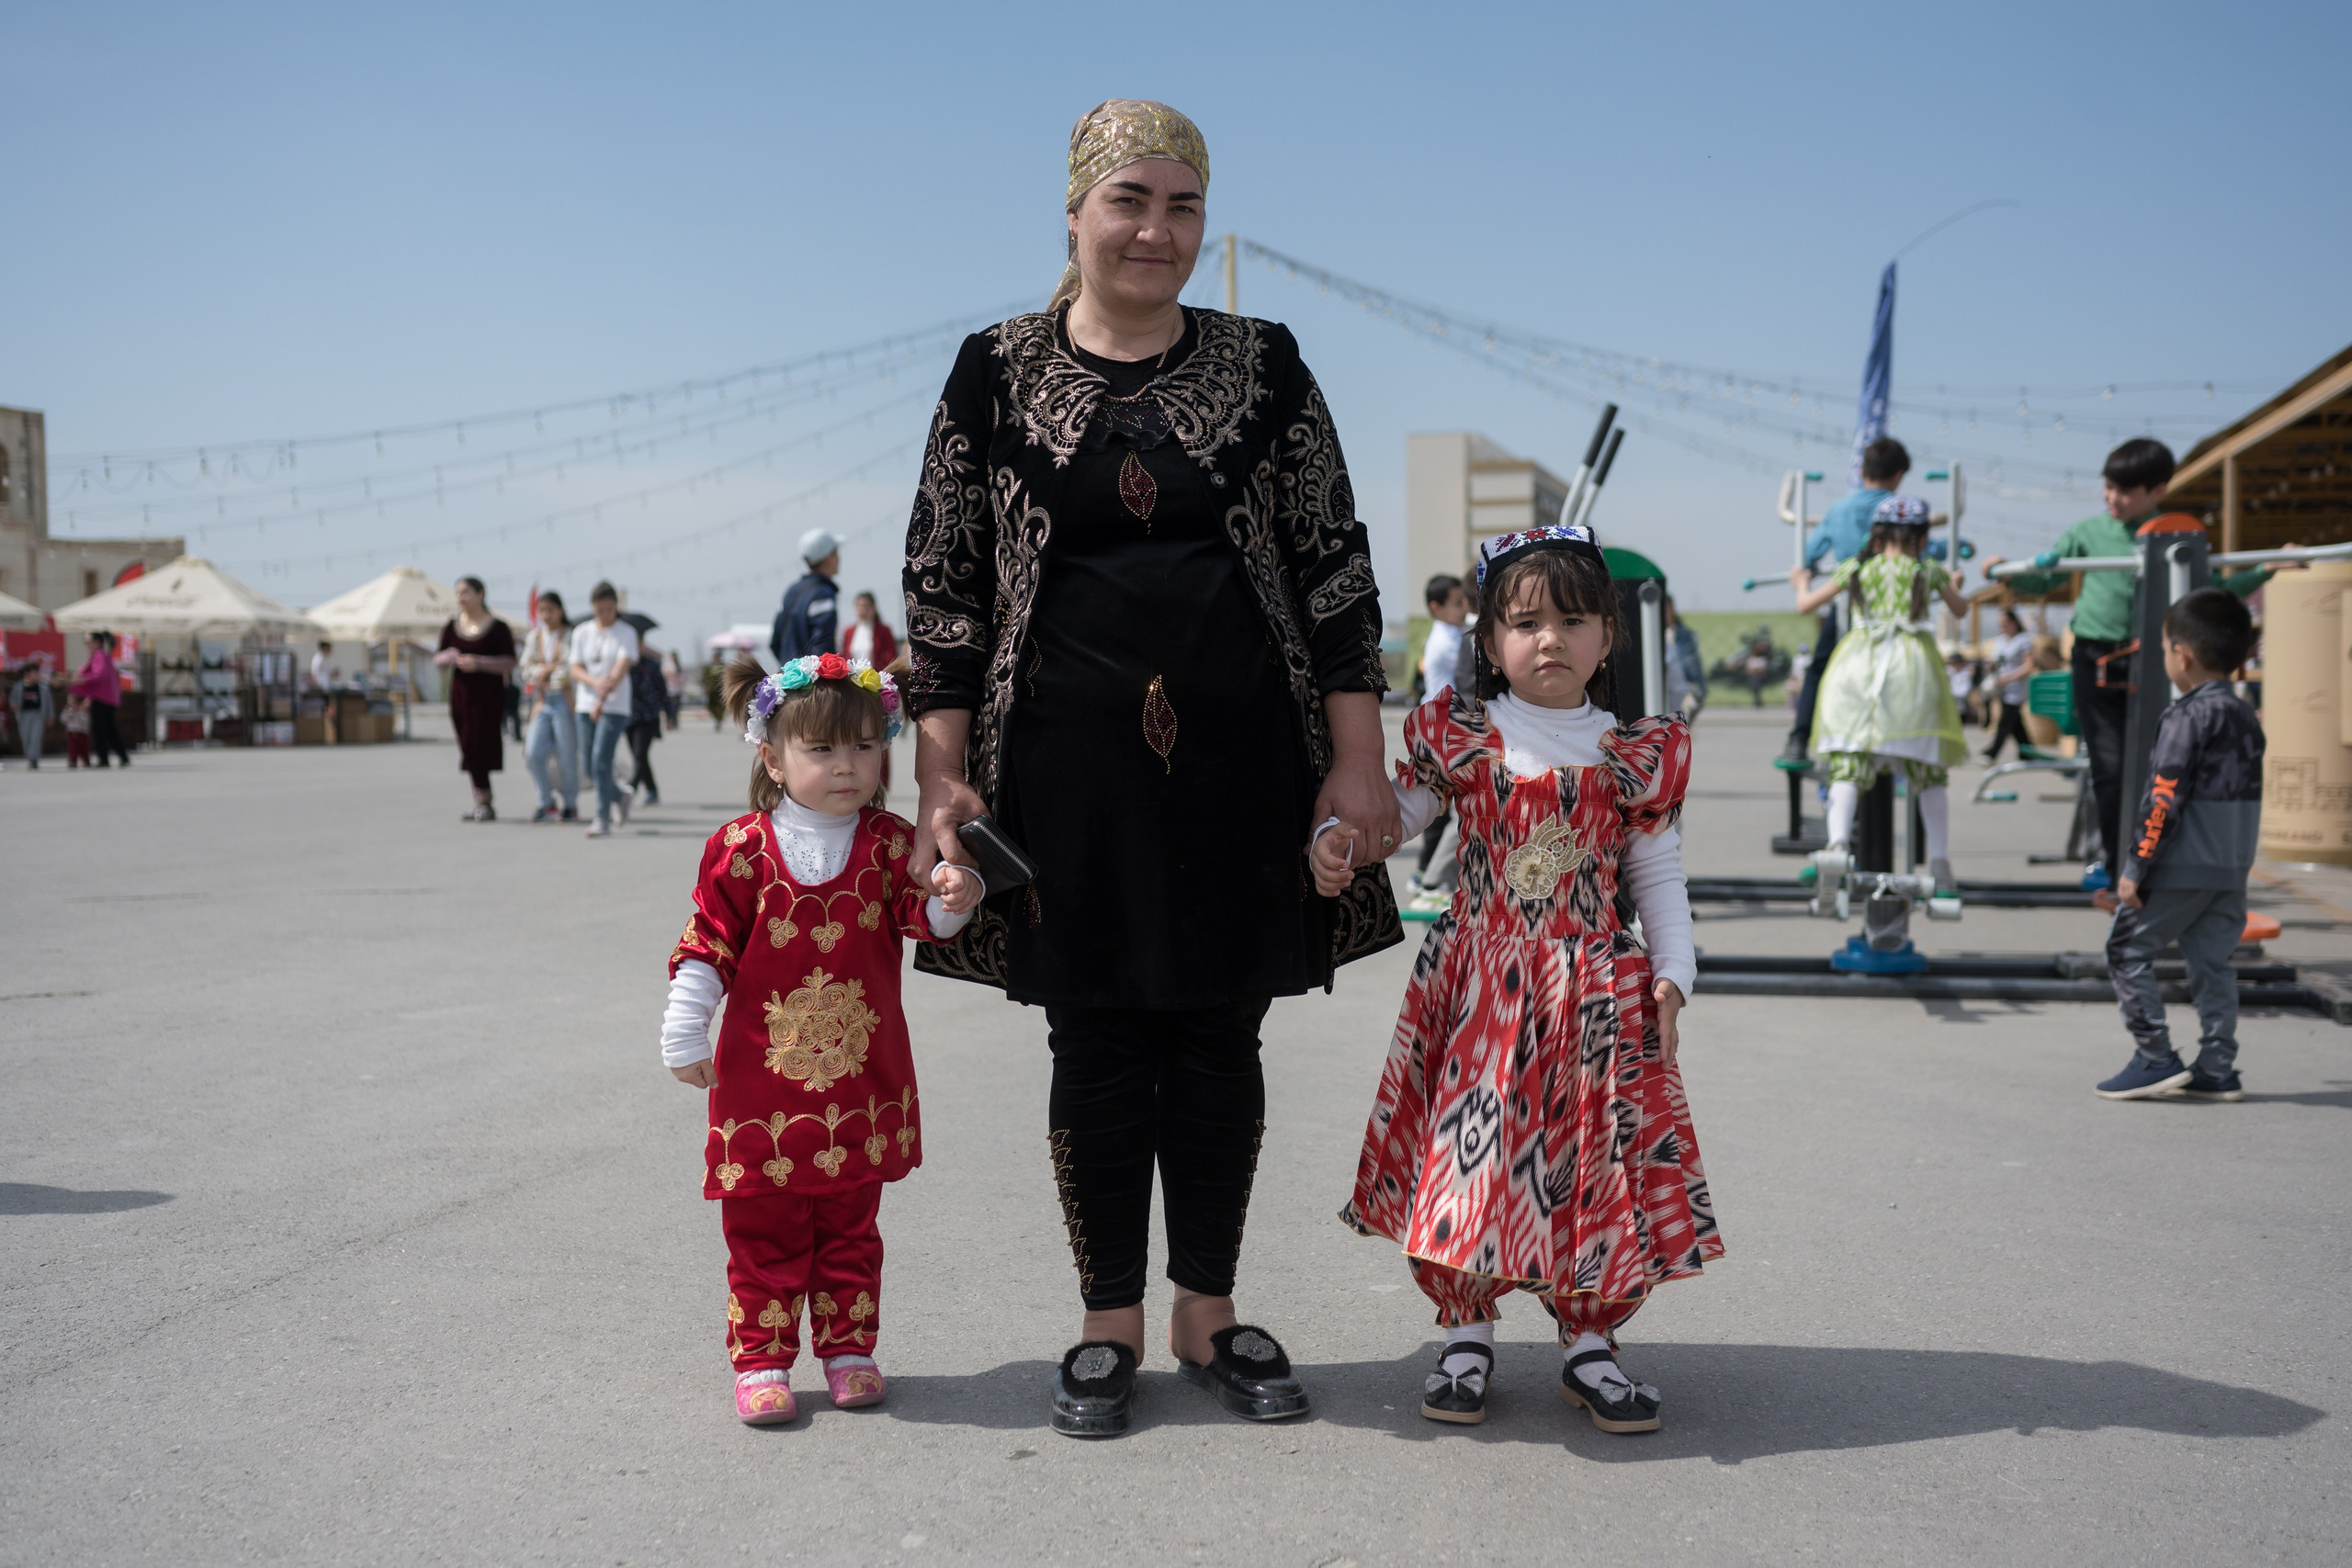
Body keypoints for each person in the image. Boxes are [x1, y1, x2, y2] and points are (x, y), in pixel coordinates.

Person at [899, 98, 1399, 1439]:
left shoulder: (1267, 362)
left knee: (1222, 1031)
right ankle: (1106, 1319)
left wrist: (1360, 756)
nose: (1157, 230)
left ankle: (1207, 1307)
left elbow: (1334, 565)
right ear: (1074, 213)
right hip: (1060, 773)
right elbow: (942, 593)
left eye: (1183, 205)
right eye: (1131, 200)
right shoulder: (991, 371)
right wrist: (942, 783)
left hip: (1247, 759)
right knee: (1100, 1039)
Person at [1319, 522, 1715, 1434]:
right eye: (1527, 622)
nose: (1550, 640)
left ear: (1607, 639)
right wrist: (1340, 840)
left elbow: (1655, 874)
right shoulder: (1462, 735)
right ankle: (1465, 1332)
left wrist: (1674, 974)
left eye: (1574, 622)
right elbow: (1398, 817)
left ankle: (1589, 1345)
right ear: (1488, 638)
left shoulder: (1635, 750)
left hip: (1598, 992)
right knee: (1475, 1156)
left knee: (1593, 1162)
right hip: (1481, 991)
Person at [660, 653, 978, 1425]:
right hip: (760, 1088)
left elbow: (922, 922)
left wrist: (955, 896)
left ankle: (849, 1348)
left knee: (849, 1223)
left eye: (866, 746)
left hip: (858, 1084)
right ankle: (763, 1357)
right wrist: (683, 1024)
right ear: (771, 756)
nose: (848, 765)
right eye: (823, 749)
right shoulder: (740, 847)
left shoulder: (888, 841)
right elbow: (708, 944)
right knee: (763, 1225)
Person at [1986, 440, 2278, 887]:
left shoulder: (2174, 535)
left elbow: (2215, 587)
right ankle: (2113, 863)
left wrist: (2266, 569)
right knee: (2109, 766)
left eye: (2125, 491)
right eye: (2107, 487)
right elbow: (2042, 578)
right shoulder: (2086, 533)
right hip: (2095, 658)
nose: (2112, 499)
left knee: (2160, 765)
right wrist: (2005, 569)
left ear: (2158, 490)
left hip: (2157, 660)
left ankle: (2155, 861)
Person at [2092, 590, 2264, 1101]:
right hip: (2231, 864)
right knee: (2213, 963)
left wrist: (2136, 866)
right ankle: (2217, 1066)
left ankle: (2154, 1055)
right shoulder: (2245, 715)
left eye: (2165, 648)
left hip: (2182, 863)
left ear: (2181, 655)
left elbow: (2163, 799)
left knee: (2126, 948)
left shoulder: (2186, 717)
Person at [1792, 494, 1971, 894]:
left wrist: (1801, 581)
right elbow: (1960, 610)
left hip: (1857, 665)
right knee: (1928, 768)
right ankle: (1939, 862)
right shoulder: (1929, 571)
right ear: (1922, 536)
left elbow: (1805, 604)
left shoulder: (1855, 568)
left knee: (1849, 760)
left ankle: (1837, 844)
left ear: (1876, 534)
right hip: (1912, 669)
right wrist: (1954, 584)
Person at [1785, 437, 1910, 761]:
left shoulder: (1839, 511)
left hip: (1849, 603)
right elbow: (1924, 548)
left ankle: (1799, 738)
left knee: (1820, 668)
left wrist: (1805, 574)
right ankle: (1899, 741)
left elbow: (1810, 555)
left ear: (1862, 471)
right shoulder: (1900, 510)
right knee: (1899, 669)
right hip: (1894, 607)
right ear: (1898, 475)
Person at [433, 577, 517, 822]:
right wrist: (448, 657)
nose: (461, 598)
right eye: (458, 593)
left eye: (466, 592)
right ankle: (481, 798)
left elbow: (510, 661)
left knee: (481, 744)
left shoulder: (498, 627)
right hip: (460, 696)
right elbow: (437, 660)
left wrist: (479, 663)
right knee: (467, 744)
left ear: (480, 594)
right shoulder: (452, 626)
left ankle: (484, 800)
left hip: (488, 697)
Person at [1408, 575, 1469, 906]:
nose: (1463, 608)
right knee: (1443, 807)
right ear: (1436, 607)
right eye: (1456, 603)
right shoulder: (1448, 641)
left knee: (1441, 808)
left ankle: (1425, 876)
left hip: (1444, 731)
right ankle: (1428, 880)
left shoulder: (1453, 632)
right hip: (1441, 734)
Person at [569, 581, 639, 839]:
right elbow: (575, 667)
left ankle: (602, 818)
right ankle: (621, 796)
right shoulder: (581, 632)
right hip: (585, 703)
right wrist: (593, 683)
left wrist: (602, 696)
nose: (605, 615)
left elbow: (621, 667)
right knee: (588, 765)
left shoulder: (626, 632)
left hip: (615, 705)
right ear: (592, 607)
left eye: (609, 610)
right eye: (599, 610)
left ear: (615, 607)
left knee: (601, 758)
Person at [519, 591, 580, 822]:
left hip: (564, 700)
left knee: (567, 755)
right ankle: (546, 800)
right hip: (542, 700)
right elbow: (525, 668)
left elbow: (570, 671)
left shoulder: (571, 636)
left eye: (550, 610)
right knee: (533, 753)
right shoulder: (535, 637)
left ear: (560, 611)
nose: (546, 615)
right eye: (542, 610)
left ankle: (571, 803)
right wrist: (544, 671)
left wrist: (544, 671)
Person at [771, 529, 842, 665]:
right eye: (836, 553)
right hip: (813, 683)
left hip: (786, 680)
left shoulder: (791, 591)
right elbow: (822, 649)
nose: (839, 558)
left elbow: (775, 642)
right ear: (829, 558)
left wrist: (790, 669)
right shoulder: (822, 593)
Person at [625, 632, 677, 807]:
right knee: (639, 756)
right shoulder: (623, 665)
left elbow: (662, 691)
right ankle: (652, 789)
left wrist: (669, 715)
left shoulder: (651, 665)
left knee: (640, 754)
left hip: (648, 716)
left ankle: (630, 789)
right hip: (628, 716)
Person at [1982, 608, 2037, 761]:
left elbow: (2029, 665)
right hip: (2002, 687)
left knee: (2005, 722)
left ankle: (1992, 753)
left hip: (2016, 688)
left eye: (2004, 625)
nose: (2002, 628)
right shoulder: (2000, 641)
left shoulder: (2023, 640)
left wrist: (2010, 677)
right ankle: (2027, 751)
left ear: (2013, 623)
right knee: (2016, 723)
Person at [71, 633, 131, 767]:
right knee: (108, 728)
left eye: (89, 642)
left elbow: (98, 676)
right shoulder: (101, 656)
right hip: (106, 697)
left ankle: (104, 758)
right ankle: (122, 756)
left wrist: (82, 680)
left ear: (98, 642)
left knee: (99, 728)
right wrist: (88, 697)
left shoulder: (99, 656)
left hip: (103, 698)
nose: (87, 646)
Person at [12, 663, 53, 769]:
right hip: (24, 715)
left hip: (38, 714)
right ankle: (30, 757)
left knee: (36, 737)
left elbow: (49, 703)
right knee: (26, 738)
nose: (37, 675)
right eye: (34, 673)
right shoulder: (18, 687)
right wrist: (14, 706)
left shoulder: (43, 688)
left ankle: (34, 758)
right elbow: (13, 701)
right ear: (27, 674)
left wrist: (50, 715)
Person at [62, 694, 93, 768]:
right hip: (72, 733)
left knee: (84, 749)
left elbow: (86, 721)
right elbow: (63, 719)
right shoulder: (67, 710)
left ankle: (86, 761)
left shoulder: (83, 711)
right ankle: (73, 761)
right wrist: (71, 712)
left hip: (82, 733)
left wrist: (82, 712)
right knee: (72, 749)